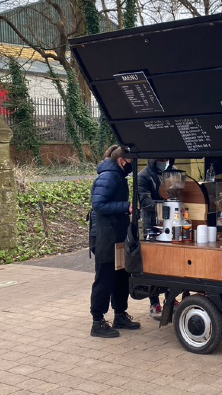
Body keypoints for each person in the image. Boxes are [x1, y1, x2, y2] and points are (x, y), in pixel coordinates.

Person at [89, 145, 141, 338]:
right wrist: (126, 207)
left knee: (121, 275)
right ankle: (97, 321)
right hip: (104, 236)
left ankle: (120, 314)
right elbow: (99, 204)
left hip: (116, 234)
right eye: (130, 163)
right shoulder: (108, 177)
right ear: (121, 161)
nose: (131, 167)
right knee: (105, 277)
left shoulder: (118, 175)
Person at [137, 158, 173, 320]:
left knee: (169, 264)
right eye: (160, 160)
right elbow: (144, 202)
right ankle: (154, 303)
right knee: (153, 265)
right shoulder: (143, 176)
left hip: (170, 223)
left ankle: (170, 299)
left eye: (165, 160)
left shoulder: (172, 172)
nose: (163, 162)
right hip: (151, 225)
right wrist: (167, 204)